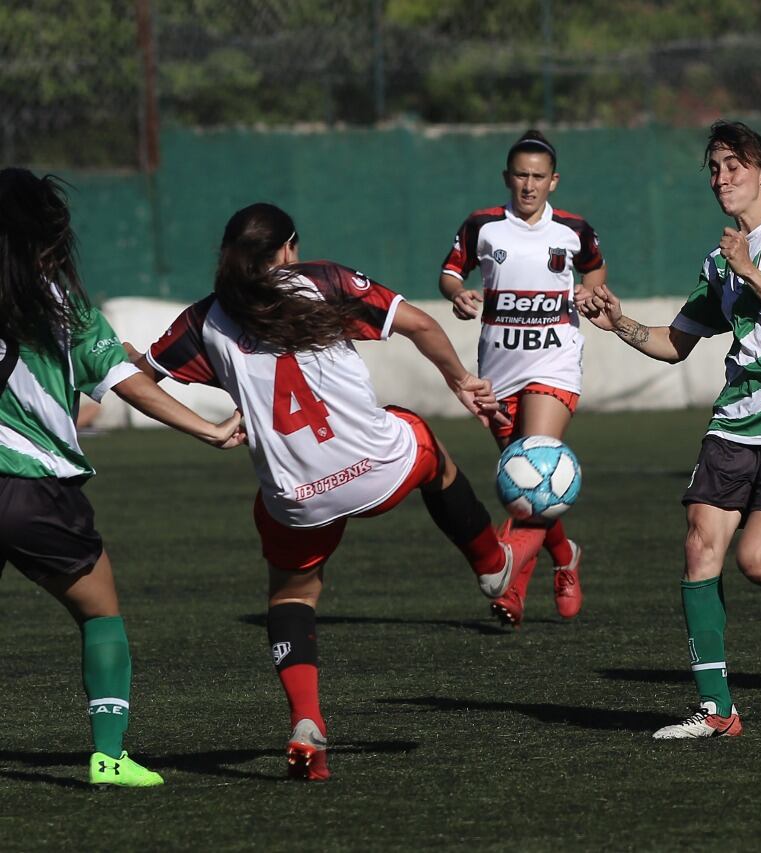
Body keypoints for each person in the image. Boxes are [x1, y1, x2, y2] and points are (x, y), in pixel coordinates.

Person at [136, 203, 533, 781]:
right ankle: (492, 564)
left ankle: (306, 722)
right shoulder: (322, 282)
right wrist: (461, 380)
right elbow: (420, 324)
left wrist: (206, 429)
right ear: (289, 248)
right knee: (431, 452)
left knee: (292, 596)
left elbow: (138, 378)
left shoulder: (204, 319)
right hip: (379, 468)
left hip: (298, 497)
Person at [579, 121, 761, 739]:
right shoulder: (720, 259)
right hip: (735, 419)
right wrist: (619, 323)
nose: (722, 178)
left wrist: (751, 271)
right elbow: (675, 344)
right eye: (714, 168)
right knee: (698, 544)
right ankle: (717, 710)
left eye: (734, 165)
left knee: (759, 562)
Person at [0, 167, 244, 787]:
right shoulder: (57, 301)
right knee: (100, 612)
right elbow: (128, 386)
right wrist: (208, 428)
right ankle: (108, 755)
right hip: (34, 490)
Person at [439, 129, 606, 627]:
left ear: (553, 181)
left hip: (554, 363)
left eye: (538, 177)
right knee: (525, 484)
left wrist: (588, 295)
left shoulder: (574, 230)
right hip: (498, 371)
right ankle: (566, 555)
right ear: (506, 178)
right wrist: (458, 293)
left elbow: (595, 275)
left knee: (536, 461)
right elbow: (450, 272)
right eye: (520, 176)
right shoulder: (483, 226)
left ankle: (510, 583)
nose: (528, 185)